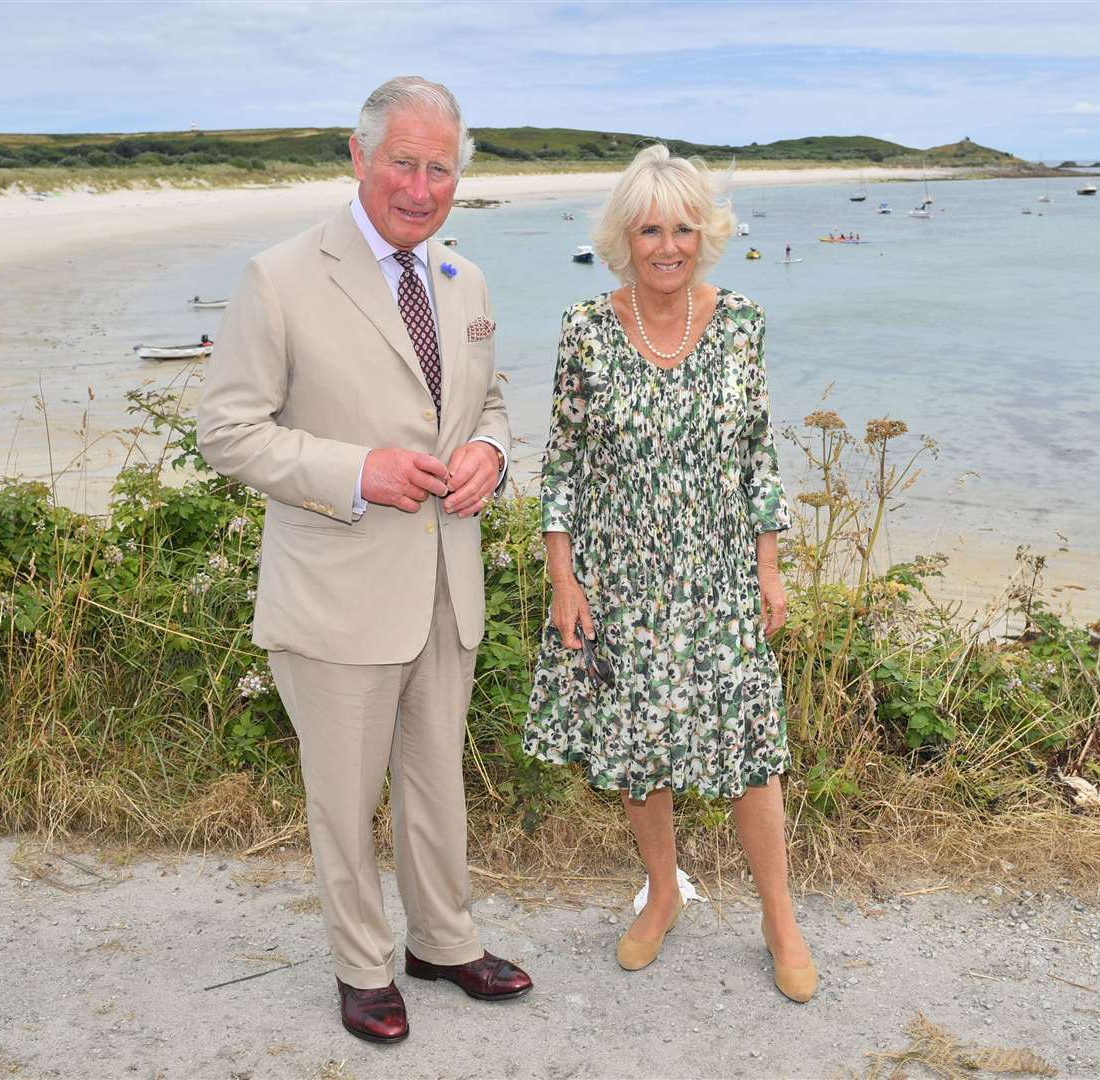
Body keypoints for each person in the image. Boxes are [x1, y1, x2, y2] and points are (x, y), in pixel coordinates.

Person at [196, 76, 532, 1045]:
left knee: (436, 780)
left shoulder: (465, 281)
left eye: (441, 168)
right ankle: (361, 963)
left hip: (444, 584)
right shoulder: (281, 277)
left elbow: (492, 401)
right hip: (336, 587)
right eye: (404, 162)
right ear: (360, 155)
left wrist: (491, 454)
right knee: (343, 797)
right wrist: (357, 470)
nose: (422, 186)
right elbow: (227, 431)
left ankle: (442, 940)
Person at [524, 144, 817, 1004]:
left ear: (706, 233)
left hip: (720, 576)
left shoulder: (742, 322)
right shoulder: (586, 329)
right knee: (639, 749)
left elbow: (760, 453)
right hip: (621, 582)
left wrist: (769, 568)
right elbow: (566, 464)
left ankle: (779, 917)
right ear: (624, 236)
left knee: (749, 751)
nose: (668, 245)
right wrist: (564, 580)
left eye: (684, 227)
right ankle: (661, 892)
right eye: (650, 228)